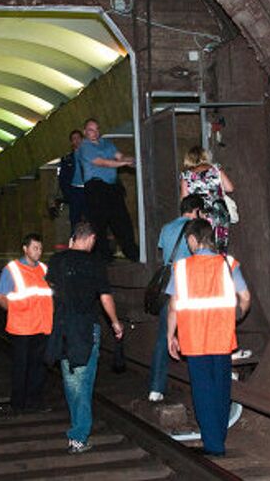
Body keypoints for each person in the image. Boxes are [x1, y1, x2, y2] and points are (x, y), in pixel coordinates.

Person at [166, 218, 250, 456]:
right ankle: (217, 436)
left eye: (188, 241)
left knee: (203, 391)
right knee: (222, 389)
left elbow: (173, 306)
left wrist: (170, 336)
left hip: (194, 339)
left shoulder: (181, 268)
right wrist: (236, 316)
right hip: (222, 338)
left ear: (193, 239)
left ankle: (214, 445)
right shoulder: (228, 263)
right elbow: (245, 297)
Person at [45, 222, 124, 454]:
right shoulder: (95, 262)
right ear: (90, 238)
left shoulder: (57, 261)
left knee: (71, 380)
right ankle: (78, 435)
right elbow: (105, 297)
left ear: (73, 239)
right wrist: (115, 322)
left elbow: (51, 288)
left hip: (63, 327)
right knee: (84, 380)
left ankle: (77, 429)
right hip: (86, 328)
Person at [148, 194, 204, 403]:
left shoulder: (166, 228)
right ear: (197, 210)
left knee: (165, 335)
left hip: (169, 287)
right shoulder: (196, 228)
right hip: (189, 283)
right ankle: (199, 382)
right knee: (195, 333)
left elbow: (164, 252)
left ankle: (156, 388)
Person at [0, 233, 53, 414]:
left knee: (38, 366)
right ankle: (18, 404)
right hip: (21, 328)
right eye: (35, 247)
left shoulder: (44, 269)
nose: (38, 251)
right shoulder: (12, 269)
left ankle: (35, 401)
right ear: (25, 249)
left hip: (42, 326)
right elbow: (0, 297)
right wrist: (15, 312)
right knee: (21, 367)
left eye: (40, 248)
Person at [76, 118, 139, 262]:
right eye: (91, 130)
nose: (95, 132)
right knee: (99, 223)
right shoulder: (85, 147)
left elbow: (120, 156)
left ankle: (132, 252)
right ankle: (103, 256)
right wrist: (123, 163)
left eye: (97, 129)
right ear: (85, 132)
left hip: (112, 187)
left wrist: (131, 160)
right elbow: (102, 163)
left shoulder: (107, 144)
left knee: (122, 220)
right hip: (96, 188)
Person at [180, 146, 235, 253]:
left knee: (203, 246)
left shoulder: (186, 176)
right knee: (220, 247)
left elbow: (185, 200)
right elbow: (230, 188)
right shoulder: (215, 169)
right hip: (219, 213)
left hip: (200, 215)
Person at [58, 129, 88, 233]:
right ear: (71, 142)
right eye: (74, 139)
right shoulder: (67, 159)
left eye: (79, 138)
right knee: (75, 220)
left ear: (83, 139)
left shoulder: (89, 155)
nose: (77, 141)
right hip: (74, 191)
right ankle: (74, 244)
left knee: (91, 218)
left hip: (88, 190)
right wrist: (68, 194)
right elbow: (62, 178)